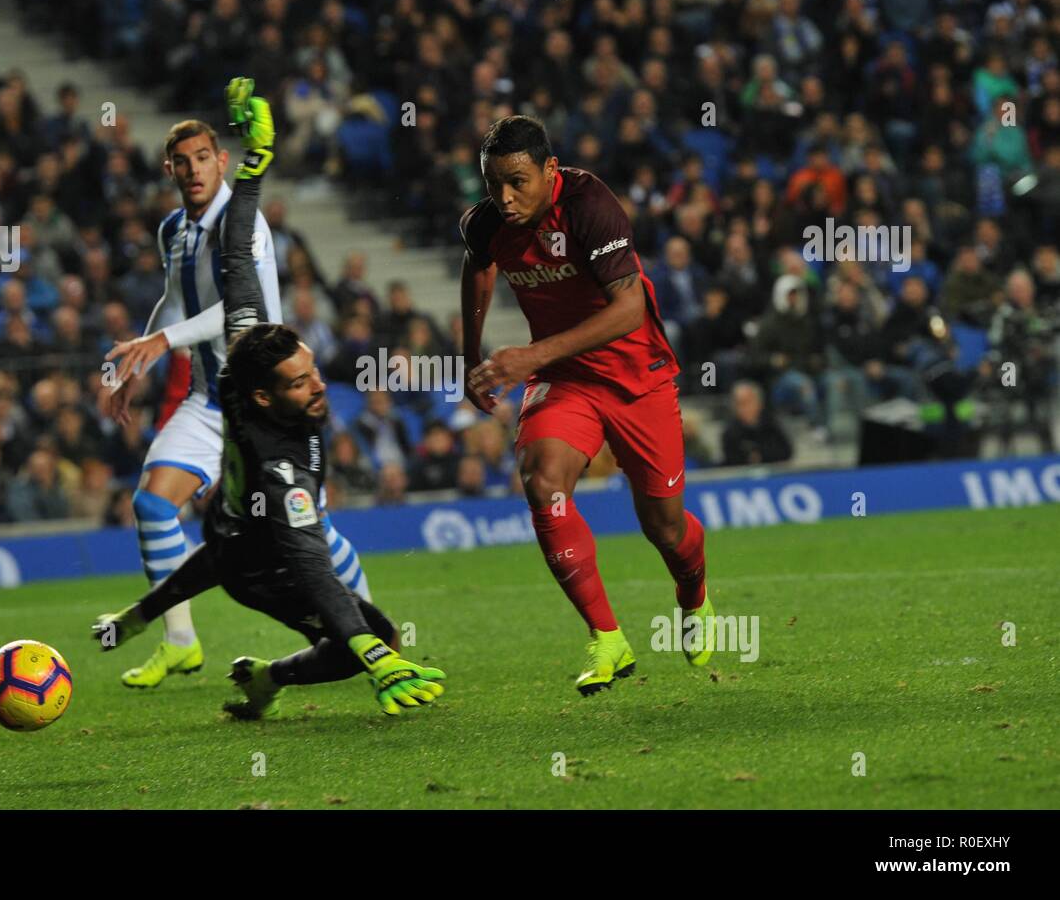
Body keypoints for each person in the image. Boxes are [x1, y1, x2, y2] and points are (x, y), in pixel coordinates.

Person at [94, 83, 444, 718]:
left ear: (220, 162)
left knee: (310, 533)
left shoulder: (242, 224)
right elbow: (176, 302)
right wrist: (141, 356)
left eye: (206, 157)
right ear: (170, 169)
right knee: (150, 503)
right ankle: (180, 643)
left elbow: (236, 309)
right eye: (183, 161)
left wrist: (159, 341)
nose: (195, 169)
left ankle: (378, 641)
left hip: (268, 405)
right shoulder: (174, 228)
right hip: (212, 397)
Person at [460, 115, 715, 696]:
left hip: (635, 376)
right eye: (494, 182)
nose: (505, 197)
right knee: (541, 479)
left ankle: (694, 595)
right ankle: (607, 637)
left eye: (518, 181)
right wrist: (469, 356)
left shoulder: (588, 203)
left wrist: (529, 354)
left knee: (665, 528)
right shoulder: (486, 223)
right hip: (564, 377)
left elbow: (627, 310)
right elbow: (478, 270)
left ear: (550, 170)